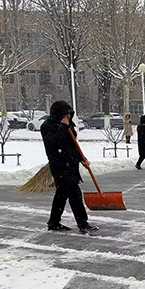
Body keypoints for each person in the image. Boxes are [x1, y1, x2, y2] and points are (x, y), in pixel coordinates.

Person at [41, 100, 98, 234]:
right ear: (58, 114)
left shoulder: (68, 126)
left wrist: (82, 159)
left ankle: (53, 222)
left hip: (71, 164)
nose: (68, 118)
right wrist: (62, 127)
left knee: (61, 195)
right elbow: (54, 142)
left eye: (69, 115)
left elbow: (72, 145)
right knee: (75, 194)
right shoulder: (47, 126)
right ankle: (83, 224)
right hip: (59, 165)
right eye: (65, 115)